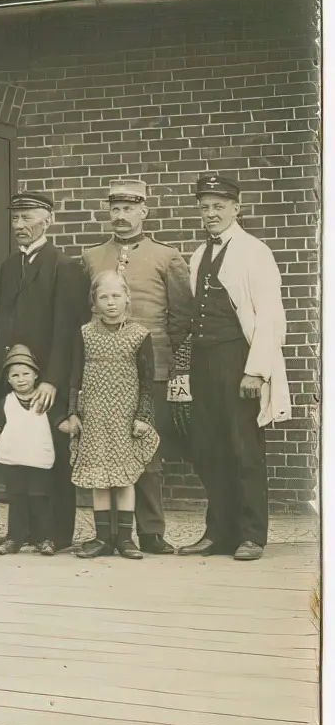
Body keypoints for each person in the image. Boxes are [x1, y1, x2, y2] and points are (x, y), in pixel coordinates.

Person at [179, 174, 291, 562]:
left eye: (219, 206)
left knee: (244, 448)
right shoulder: (198, 254)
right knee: (210, 448)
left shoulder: (254, 251)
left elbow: (270, 316)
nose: (211, 214)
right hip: (205, 361)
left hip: (238, 359)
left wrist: (256, 370)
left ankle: (251, 535)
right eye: (205, 207)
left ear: (236, 208)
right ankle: (218, 532)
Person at [82, 179, 194, 555]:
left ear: (144, 211)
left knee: (145, 450)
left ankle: (150, 531)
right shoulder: (93, 257)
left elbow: (181, 318)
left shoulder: (166, 256)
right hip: (102, 372)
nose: (121, 216)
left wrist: (173, 367)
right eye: (115, 209)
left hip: (151, 371)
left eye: (129, 209)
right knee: (103, 449)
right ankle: (109, 534)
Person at [0, 192, 90, 549]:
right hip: (16, 382)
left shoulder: (64, 266)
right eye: (15, 219)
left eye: (27, 218)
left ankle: (56, 534)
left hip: (49, 382)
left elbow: (68, 332)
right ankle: (23, 532)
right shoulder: (8, 267)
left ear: (48, 220)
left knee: (52, 459)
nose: (19, 226)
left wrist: (52, 381)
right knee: (21, 459)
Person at [59, 272, 158, 560]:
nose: (110, 302)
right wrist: (73, 412)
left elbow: (147, 381)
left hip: (125, 416)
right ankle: (103, 537)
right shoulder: (85, 333)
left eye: (116, 296)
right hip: (94, 414)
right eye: (104, 297)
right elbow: (75, 375)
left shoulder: (140, 335)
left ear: (127, 297)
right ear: (94, 302)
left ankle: (125, 539)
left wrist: (143, 415)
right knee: (99, 477)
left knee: (124, 477)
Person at [0, 346, 63, 555]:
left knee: (41, 499)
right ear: (9, 379)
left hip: (39, 459)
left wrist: (71, 423)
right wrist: (1, 449)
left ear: (36, 375)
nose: (21, 379)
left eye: (26, 374)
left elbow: (58, 422)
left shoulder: (44, 399)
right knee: (17, 499)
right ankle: (15, 538)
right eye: (15, 375)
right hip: (14, 461)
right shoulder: (6, 402)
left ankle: (45, 538)